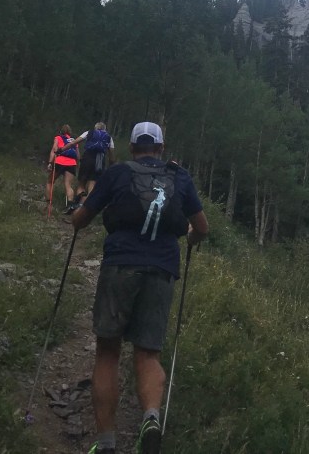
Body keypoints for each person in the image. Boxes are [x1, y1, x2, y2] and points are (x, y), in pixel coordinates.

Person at [72, 121, 208, 454]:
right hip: (161, 269)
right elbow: (202, 228)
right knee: (147, 353)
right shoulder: (179, 177)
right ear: (161, 148)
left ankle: (106, 443)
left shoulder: (118, 173)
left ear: (132, 147)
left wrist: (74, 215)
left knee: (108, 351)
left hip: (120, 265)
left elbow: (82, 219)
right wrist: (190, 239)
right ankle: (150, 418)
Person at [59, 122, 116, 213]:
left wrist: (61, 150)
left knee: (81, 184)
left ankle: (77, 207)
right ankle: (84, 209)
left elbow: (73, 143)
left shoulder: (89, 132)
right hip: (100, 161)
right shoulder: (109, 137)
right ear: (104, 129)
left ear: (95, 128)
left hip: (87, 158)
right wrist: (111, 166)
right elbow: (112, 156)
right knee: (92, 186)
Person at [46, 124, 79, 211]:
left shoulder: (58, 138)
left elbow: (54, 149)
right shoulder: (73, 140)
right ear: (69, 132)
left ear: (61, 131)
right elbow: (78, 155)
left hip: (60, 161)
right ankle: (70, 205)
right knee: (68, 185)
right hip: (72, 163)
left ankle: (48, 203)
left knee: (50, 182)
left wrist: (50, 162)